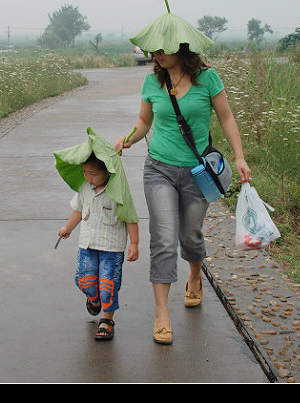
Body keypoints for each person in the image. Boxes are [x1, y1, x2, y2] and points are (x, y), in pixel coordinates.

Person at [115, 44, 251, 345]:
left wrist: (239, 157)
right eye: (153, 51)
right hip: (158, 170)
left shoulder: (208, 79)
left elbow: (227, 118)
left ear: (182, 48)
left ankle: (194, 274)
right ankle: (162, 313)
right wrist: (127, 139)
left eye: (163, 50)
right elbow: (144, 122)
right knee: (163, 238)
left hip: (197, 173)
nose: (157, 56)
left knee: (190, 235)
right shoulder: (152, 82)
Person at [58, 153, 140, 341]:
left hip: (111, 249)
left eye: (93, 174)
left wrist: (134, 244)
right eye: (85, 172)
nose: (88, 177)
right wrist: (67, 227)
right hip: (87, 246)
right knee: (84, 280)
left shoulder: (119, 191)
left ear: (108, 172)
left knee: (108, 286)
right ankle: (93, 300)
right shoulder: (84, 188)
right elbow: (78, 210)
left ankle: (107, 320)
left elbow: (130, 218)